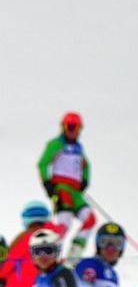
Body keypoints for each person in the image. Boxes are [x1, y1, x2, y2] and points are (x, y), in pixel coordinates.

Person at [37, 112, 96, 263]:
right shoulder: (56, 144)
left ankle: (74, 254)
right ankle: (49, 254)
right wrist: (47, 183)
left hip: (76, 191)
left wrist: (84, 180)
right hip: (62, 188)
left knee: (90, 219)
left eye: (76, 127)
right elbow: (43, 163)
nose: (72, 131)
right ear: (63, 127)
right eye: (70, 126)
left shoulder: (78, 148)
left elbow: (86, 165)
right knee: (65, 224)